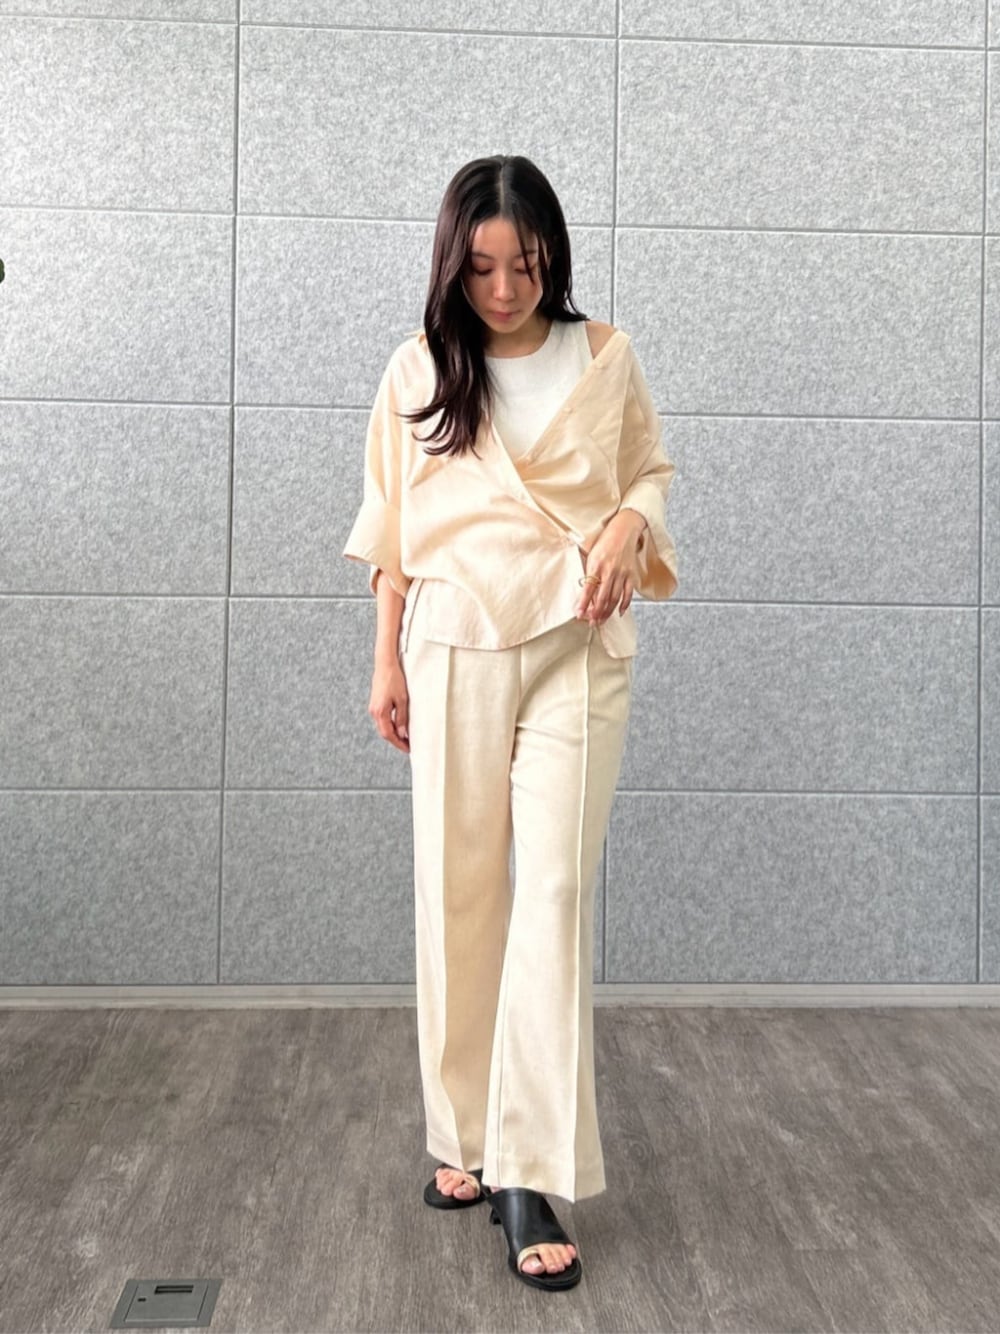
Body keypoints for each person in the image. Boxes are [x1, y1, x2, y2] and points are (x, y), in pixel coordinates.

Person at [342, 154, 679, 1293]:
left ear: (552, 255)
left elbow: (650, 469)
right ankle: (466, 1136)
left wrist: (630, 521)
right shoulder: (418, 369)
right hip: (450, 646)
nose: (502, 289)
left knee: (554, 894)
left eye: (523, 264)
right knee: (460, 890)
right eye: (480, 266)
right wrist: (383, 660)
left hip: (578, 646)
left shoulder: (605, 355)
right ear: (454, 263)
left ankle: (528, 1170)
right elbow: (392, 531)